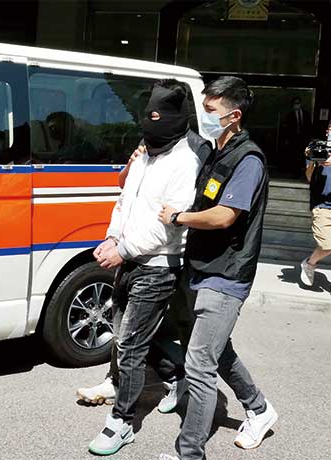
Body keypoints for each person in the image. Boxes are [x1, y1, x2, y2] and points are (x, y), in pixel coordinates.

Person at [158, 76, 278, 460]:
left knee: (198, 365)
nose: (204, 116)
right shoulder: (216, 151)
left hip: (226, 274)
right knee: (217, 350)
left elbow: (225, 215)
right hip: (201, 266)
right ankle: (259, 409)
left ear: (234, 115)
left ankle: (190, 453)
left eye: (210, 110)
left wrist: (178, 217)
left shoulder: (248, 160)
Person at [86, 79, 202, 456]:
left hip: (158, 266)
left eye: (157, 126)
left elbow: (168, 224)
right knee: (126, 338)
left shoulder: (186, 161)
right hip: (129, 258)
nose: (150, 136)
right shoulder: (144, 153)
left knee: (131, 344)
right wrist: (112, 237)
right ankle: (174, 377)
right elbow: (125, 200)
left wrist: (124, 249)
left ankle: (122, 422)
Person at [300, 117, 331, 295]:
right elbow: (308, 177)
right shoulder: (318, 148)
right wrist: (312, 160)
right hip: (324, 205)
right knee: (328, 244)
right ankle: (310, 263)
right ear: (327, 131)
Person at [280, 96, 312, 177]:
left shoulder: (306, 114)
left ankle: (304, 172)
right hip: (293, 139)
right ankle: (295, 172)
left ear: (301, 104)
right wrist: (286, 139)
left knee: (304, 155)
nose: (297, 105)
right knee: (294, 155)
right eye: (295, 103)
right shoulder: (290, 115)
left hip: (304, 138)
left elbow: (309, 126)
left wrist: (309, 138)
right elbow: (287, 128)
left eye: (298, 103)